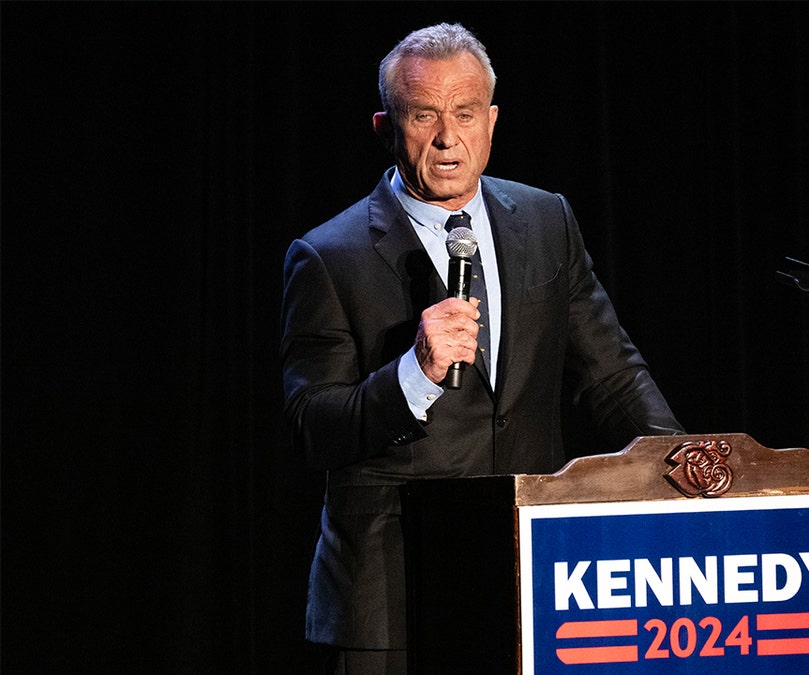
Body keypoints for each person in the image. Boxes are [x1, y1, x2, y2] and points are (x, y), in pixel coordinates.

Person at [280, 22, 684, 673]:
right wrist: (414, 372)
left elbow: (611, 373)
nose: (447, 137)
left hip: (530, 579)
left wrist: (682, 461)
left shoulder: (547, 220)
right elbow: (311, 428)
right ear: (386, 125)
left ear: (491, 121)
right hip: (395, 598)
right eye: (424, 115)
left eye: (465, 113)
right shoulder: (329, 256)